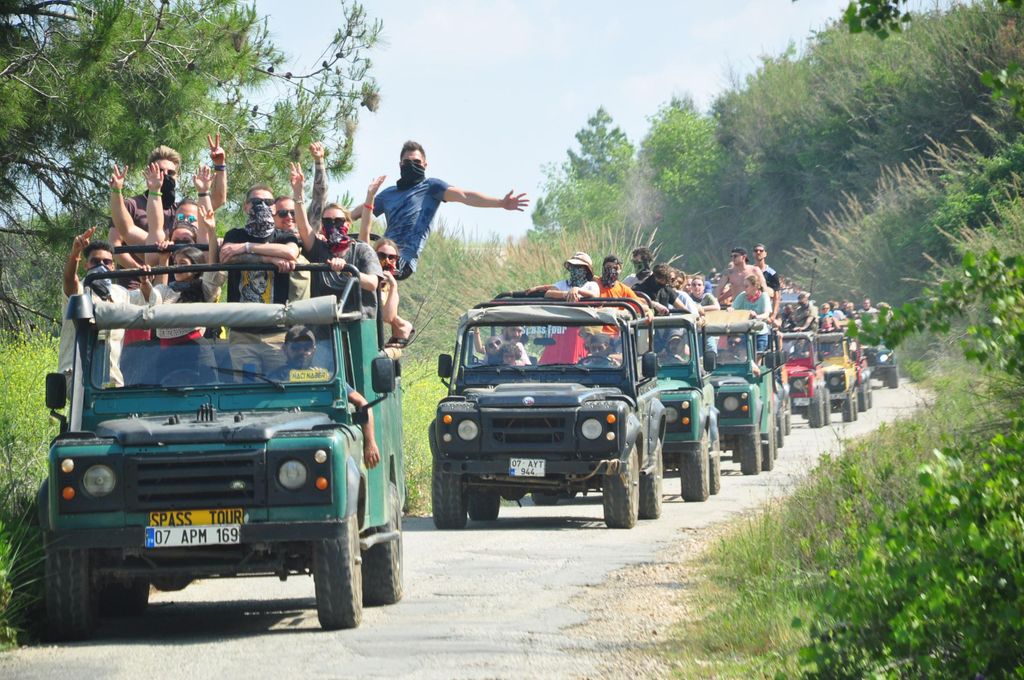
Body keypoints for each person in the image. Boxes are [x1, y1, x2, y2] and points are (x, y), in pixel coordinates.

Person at [350, 140, 529, 279]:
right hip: (383, 250)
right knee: (356, 261)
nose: (412, 165)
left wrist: (501, 202)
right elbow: (356, 214)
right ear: (400, 165)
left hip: (402, 259)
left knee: (376, 270)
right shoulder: (389, 194)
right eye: (407, 162)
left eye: (417, 162)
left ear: (425, 165)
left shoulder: (431, 187)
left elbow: (465, 196)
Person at [58, 228, 159, 387]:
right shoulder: (80, 292)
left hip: (112, 378)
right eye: (95, 262)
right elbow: (70, 280)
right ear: (86, 265)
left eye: (107, 262)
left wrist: (145, 282)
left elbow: (148, 301)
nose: (101, 266)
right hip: (78, 376)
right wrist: (75, 253)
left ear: (113, 267)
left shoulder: (121, 294)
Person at [218, 185, 301, 373]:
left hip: (277, 332)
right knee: (246, 386)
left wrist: (246, 247)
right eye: (256, 202)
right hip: (242, 333)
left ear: (274, 208)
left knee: (278, 385)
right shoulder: (235, 234)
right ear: (246, 207)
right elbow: (227, 255)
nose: (262, 206)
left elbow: (290, 252)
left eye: (268, 202)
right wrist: (269, 259)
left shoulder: (284, 236)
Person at [290, 163, 381, 319]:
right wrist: (298, 192)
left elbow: (372, 283)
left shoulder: (361, 250)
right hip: (325, 324)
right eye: (327, 221)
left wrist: (348, 270)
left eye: (338, 221)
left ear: (347, 223)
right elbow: (304, 227)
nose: (333, 225)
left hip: (358, 322)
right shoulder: (319, 249)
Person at [375, 238, 414, 347]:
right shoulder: (368, 273)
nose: (386, 260)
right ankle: (403, 326)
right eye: (381, 256)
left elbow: (387, 317)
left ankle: (403, 327)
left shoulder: (391, 288)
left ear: (396, 261)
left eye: (391, 257)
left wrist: (393, 285)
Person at [524, 252, 600, 301]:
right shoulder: (564, 284)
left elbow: (595, 295)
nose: (574, 270)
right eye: (572, 267)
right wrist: (567, 294)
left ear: (586, 270)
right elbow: (549, 293)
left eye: (578, 267)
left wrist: (577, 290)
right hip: (565, 322)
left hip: (584, 321)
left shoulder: (591, 285)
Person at [730, 274, 772, 353]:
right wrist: (730, 310)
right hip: (745, 332)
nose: (744, 288)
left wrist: (756, 316)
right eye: (744, 286)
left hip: (760, 332)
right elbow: (733, 308)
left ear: (755, 287)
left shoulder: (764, 296)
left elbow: (766, 315)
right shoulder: (742, 296)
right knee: (743, 355)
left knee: (758, 356)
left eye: (746, 286)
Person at [752, 243, 781, 324]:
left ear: (765, 254)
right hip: (752, 308)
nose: (758, 252)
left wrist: (774, 314)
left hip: (766, 309)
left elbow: (776, 296)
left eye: (761, 251)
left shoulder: (772, 273)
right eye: (756, 251)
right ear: (753, 254)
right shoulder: (750, 271)